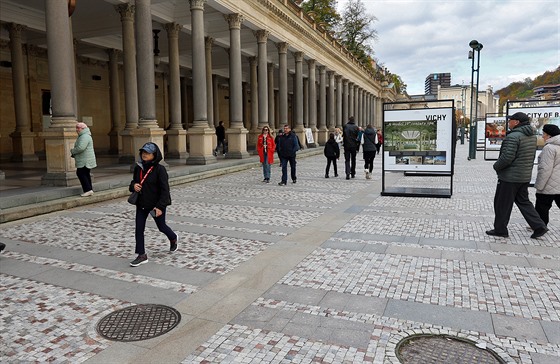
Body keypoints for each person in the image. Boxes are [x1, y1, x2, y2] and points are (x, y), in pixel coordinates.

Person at [486, 112, 548, 239]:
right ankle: (539, 225)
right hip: (523, 176)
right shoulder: (531, 136)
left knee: (502, 203)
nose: (508, 123)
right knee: (524, 202)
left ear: (517, 122)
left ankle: (500, 230)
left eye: (510, 120)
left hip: (510, 177)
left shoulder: (513, 137)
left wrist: (496, 166)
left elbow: (507, 157)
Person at [129, 142, 178, 267]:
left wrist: (160, 207)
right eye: (143, 152)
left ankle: (173, 238)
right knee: (139, 229)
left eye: (148, 153)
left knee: (161, 227)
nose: (145, 154)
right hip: (141, 203)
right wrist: (133, 186)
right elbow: (133, 182)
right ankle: (141, 254)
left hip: (156, 204)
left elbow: (165, 190)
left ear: (154, 155)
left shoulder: (159, 169)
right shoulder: (138, 167)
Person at [534, 124, 560, 226]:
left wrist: (539, 186)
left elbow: (545, 169)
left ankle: (540, 225)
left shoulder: (549, 148)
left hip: (549, 183)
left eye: (543, 133)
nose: (542, 136)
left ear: (549, 135)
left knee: (542, 205)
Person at [71, 122, 97, 197]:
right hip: (85, 159)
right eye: (76, 127)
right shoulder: (84, 135)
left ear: (83, 128)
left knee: (81, 173)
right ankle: (89, 189)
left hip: (85, 160)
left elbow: (81, 148)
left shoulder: (84, 136)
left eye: (78, 128)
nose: (77, 129)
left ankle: (88, 190)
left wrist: (73, 151)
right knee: (85, 173)